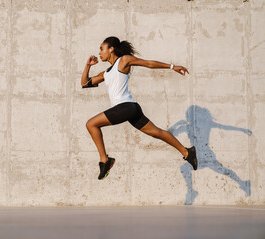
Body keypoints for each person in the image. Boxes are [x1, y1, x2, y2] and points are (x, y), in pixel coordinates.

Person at [81, 36, 197, 180]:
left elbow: (148, 63)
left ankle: (105, 161)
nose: (99, 52)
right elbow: (85, 83)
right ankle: (187, 152)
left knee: (91, 124)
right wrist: (88, 65)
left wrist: (172, 67)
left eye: (101, 49)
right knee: (157, 132)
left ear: (111, 49)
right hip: (130, 110)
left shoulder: (123, 60)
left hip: (126, 107)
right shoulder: (106, 73)